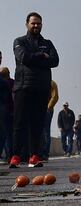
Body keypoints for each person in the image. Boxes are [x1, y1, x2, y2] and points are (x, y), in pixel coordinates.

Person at [10, 12, 59, 168]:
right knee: (19, 123)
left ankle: (34, 156)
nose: (36, 25)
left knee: (37, 124)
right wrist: (41, 56)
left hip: (42, 89)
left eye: (39, 23)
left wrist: (37, 58)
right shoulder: (19, 41)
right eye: (33, 23)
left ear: (42, 25)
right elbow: (24, 58)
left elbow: (55, 61)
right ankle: (16, 156)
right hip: (23, 88)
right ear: (27, 24)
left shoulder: (48, 43)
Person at [41, 80, 58, 161]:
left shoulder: (51, 83)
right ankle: (39, 152)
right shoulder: (37, 80)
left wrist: (49, 107)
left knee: (46, 131)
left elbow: (55, 97)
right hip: (38, 109)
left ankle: (45, 153)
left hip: (47, 109)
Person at [0, 67, 14, 163]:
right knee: (8, 134)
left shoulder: (5, 83)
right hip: (8, 111)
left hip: (5, 110)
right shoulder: (12, 83)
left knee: (3, 135)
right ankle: (10, 156)